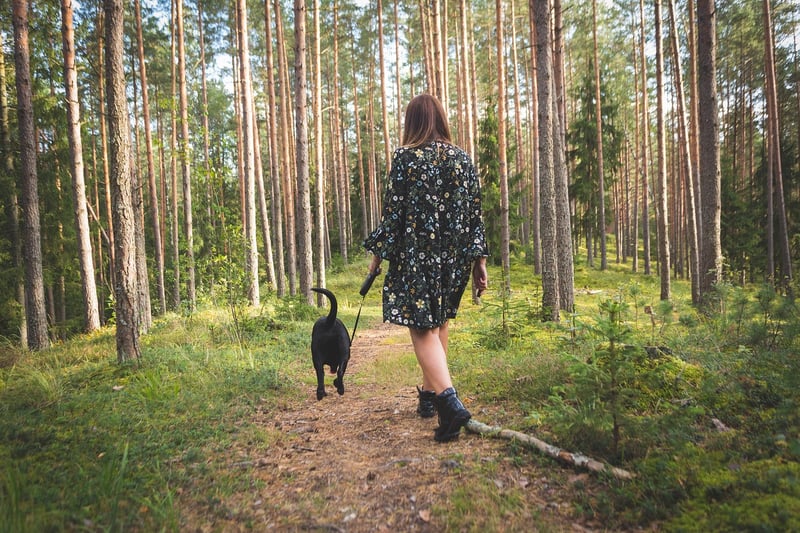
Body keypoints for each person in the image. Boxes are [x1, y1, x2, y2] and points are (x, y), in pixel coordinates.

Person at [364, 94, 489, 442]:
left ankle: (450, 404)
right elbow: (475, 217)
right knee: (438, 322)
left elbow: (394, 215)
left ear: (412, 122)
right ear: (441, 119)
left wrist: (377, 257)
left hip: (417, 254)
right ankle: (432, 398)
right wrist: (479, 262)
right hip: (454, 257)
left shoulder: (405, 158)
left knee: (422, 329)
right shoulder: (463, 159)